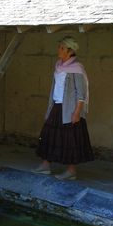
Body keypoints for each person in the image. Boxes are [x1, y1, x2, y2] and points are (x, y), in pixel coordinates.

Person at [33, 36, 94, 180]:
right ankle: (46, 165)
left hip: (69, 109)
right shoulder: (59, 65)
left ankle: (71, 171)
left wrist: (77, 112)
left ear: (69, 50)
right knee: (49, 135)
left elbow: (81, 93)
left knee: (70, 139)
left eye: (61, 48)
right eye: (59, 47)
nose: (58, 50)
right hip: (57, 105)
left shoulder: (77, 69)